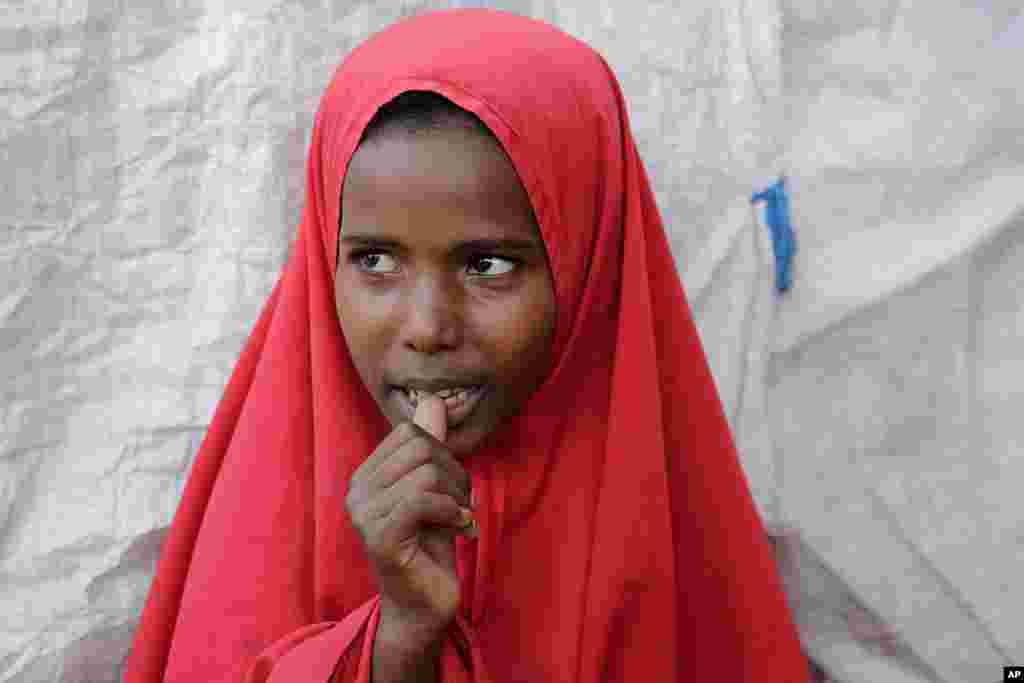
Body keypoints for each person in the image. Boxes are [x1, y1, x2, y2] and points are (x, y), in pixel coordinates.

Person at [123, 8, 812, 682]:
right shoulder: (260, 526)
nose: (425, 327)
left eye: (488, 265)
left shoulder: (681, 547)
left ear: (589, 269)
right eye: (375, 261)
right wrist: (397, 640)